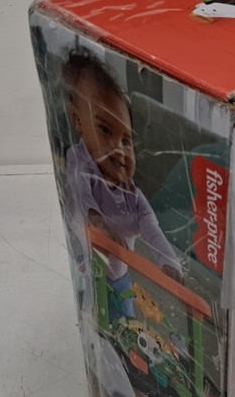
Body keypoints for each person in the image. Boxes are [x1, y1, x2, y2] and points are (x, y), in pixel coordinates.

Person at [62, 47, 183, 322]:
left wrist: (169, 264)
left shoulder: (134, 198)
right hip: (86, 270)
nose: (119, 149)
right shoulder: (79, 160)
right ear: (78, 120)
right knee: (88, 317)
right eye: (105, 130)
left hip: (118, 279)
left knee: (126, 326)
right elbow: (79, 194)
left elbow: (153, 231)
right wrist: (97, 219)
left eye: (126, 141)